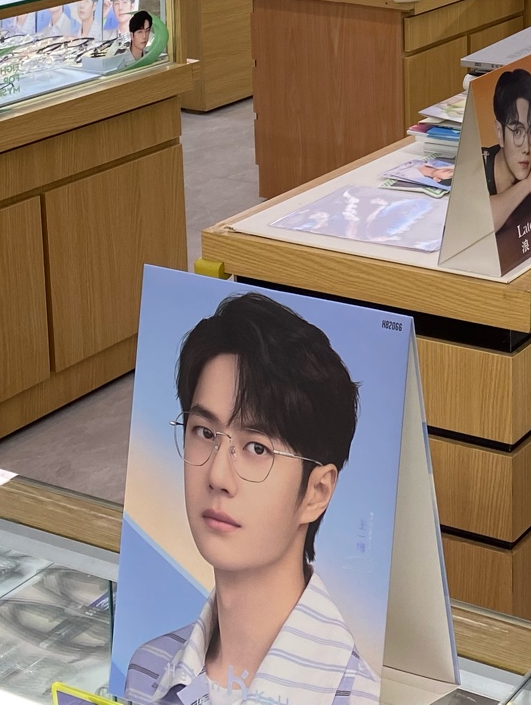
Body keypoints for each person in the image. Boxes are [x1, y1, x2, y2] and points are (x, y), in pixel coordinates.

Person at [122, 290, 375, 705]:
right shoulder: (149, 670)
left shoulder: (360, 696)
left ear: (317, 492)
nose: (217, 476)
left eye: (257, 448)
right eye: (205, 432)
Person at [483, 66, 531, 229]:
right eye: (517, 131)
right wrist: (528, 184)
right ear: (499, 132)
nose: (526, 148)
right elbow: (481, 221)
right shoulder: (477, 166)